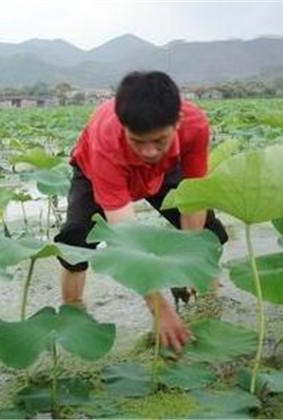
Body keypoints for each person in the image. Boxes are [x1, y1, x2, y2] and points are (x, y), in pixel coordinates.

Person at [54, 70, 228, 353]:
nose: (148, 151)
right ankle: (74, 311)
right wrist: (157, 307)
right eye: (138, 141)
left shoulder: (194, 125)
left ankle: (209, 304)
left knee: (209, 234)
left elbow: (193, 198)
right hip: (95, 171)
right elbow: (126, 237)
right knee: (74, 242)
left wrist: (189, 267)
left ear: (177, 122)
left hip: (164, 170)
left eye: (158, 140)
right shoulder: (106, 140)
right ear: (123, 126)